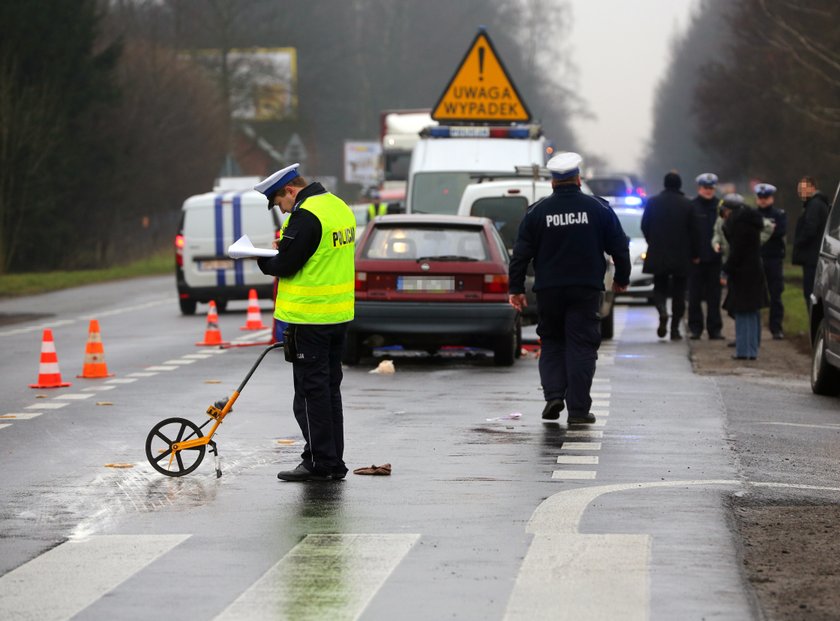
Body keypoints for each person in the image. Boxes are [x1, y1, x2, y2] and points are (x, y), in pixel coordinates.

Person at [508, 152, 630, 425]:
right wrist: (622, 278)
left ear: (553, 182)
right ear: (578, 178)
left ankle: (553, 396)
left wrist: (515, 289)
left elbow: (520, 255)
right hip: (585, 290)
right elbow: (620, 247)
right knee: (581, 346)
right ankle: (577, 410)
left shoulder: (537, 212)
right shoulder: (599, 209)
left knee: (551, 342)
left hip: (549, 290)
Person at [254, 163, 356, 482]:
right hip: (337, 316)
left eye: (280, 204)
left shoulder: (306, 214)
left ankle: (319, 463)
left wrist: (258, 256)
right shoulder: (338, 206)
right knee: (328, 392)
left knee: (310, 396)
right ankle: (332, 459)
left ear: (290, 191)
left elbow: (285, 264)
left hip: (310, 318)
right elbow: (317, 254)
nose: (283, 212)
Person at [641, 171, 699, 340]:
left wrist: (652, 241)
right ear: (679, 185)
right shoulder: (688, 204)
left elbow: (645, 225)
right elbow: (694, 232)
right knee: (679, 292)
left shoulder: (653, 202)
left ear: (664, 184)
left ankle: (662, 311)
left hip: (659, 252)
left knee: (659, 287)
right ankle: (675, 329)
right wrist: (694, 254)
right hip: (682, 254)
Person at [720, 193, 769, 360]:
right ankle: (752, 349)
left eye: (724, 211)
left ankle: (743, 351)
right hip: (754, 271)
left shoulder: (738, 224)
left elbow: (737, 252)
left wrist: (726, 268)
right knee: (752, 312)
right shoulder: (751, 221)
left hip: (742, 273)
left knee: (742, 312)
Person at [688, 173, 725, 340]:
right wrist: (691, 254)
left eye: (711, 188)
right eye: (705, 188)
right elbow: (686, 233)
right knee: (694, 296)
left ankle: (714, 329)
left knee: (714, 297)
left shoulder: (721, 207)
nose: (708, 191)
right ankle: (695, 328)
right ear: (699, 188)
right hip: (696, 260)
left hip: (715, 259)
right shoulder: (692, 206)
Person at [792, 176, 831, 309]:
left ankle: (812, 328)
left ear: (812, 187)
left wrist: (798, 243)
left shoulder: (814, 205)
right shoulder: (818, 204)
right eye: (799, 189)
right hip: (815, 257)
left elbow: (810, 229)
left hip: (812, 258)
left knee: (810, 294)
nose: (800, 192)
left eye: (802, 188)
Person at [754, 183, 787, 339]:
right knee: (754, 295)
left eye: (766, 198)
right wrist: (769, 230)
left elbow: (780, 231)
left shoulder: (779, 214)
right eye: (760, 198)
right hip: (756, 258)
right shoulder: (752, 214)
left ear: (771, 198)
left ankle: (776, 328)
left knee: (776, 295)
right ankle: (755, 329)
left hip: (774, 258)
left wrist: (762, 231)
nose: (763, 201)